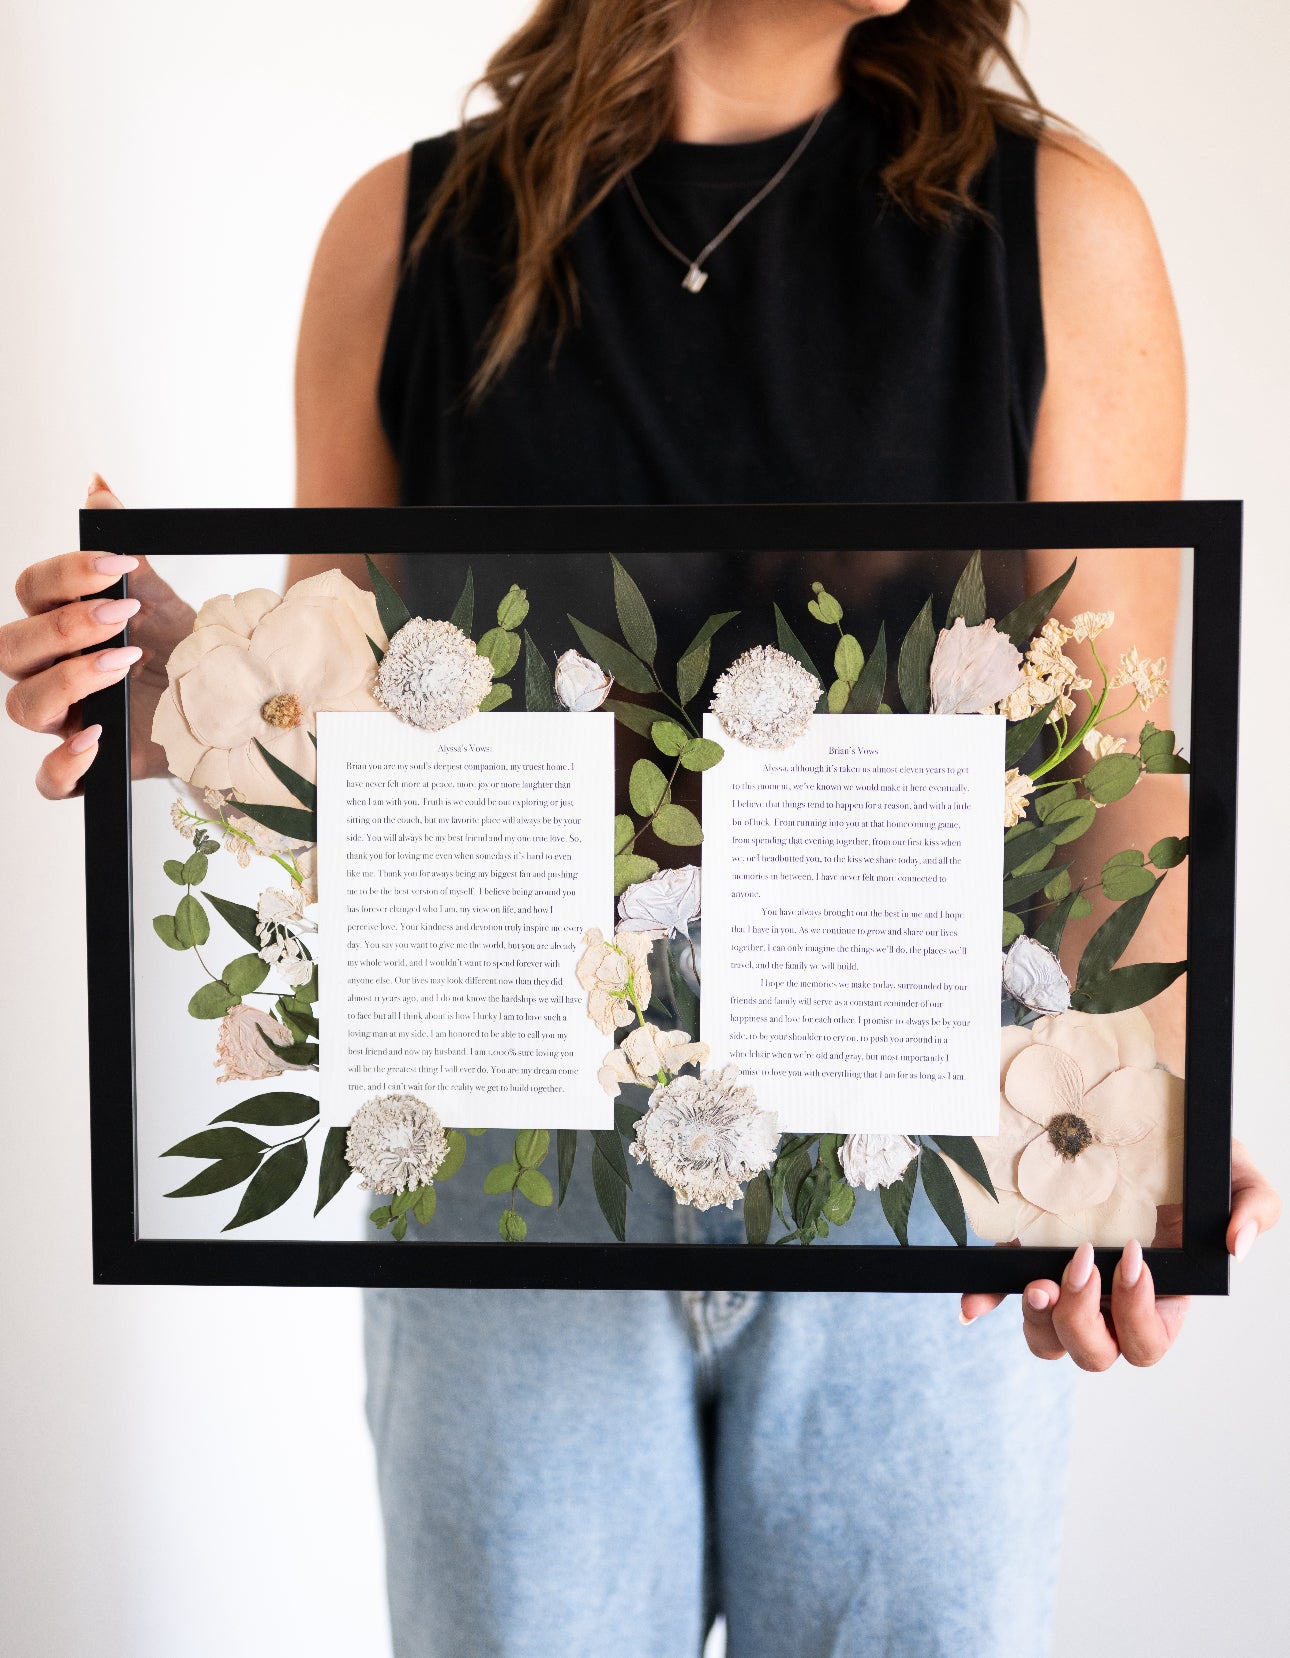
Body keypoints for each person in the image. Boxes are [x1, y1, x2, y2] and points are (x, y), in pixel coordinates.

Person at [3, 1, 1280, 1653]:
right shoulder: (399, 241)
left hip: (915, 1166)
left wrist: (1140, 1118)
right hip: (501, 1172)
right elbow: (375, 766)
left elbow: (1116, 751)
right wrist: (186, 695)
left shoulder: (1051, 231)